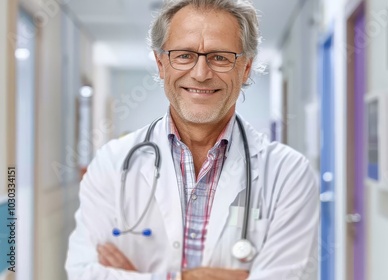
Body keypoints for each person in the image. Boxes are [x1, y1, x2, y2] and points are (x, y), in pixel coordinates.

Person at [65, 0, 319, 279]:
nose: (200, 73)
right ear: (161, 64)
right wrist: (184, 278)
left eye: (220, 57)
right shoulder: (112, 163)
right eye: (184, 55)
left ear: (245, 68)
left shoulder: (288, 173)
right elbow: (83, 272)